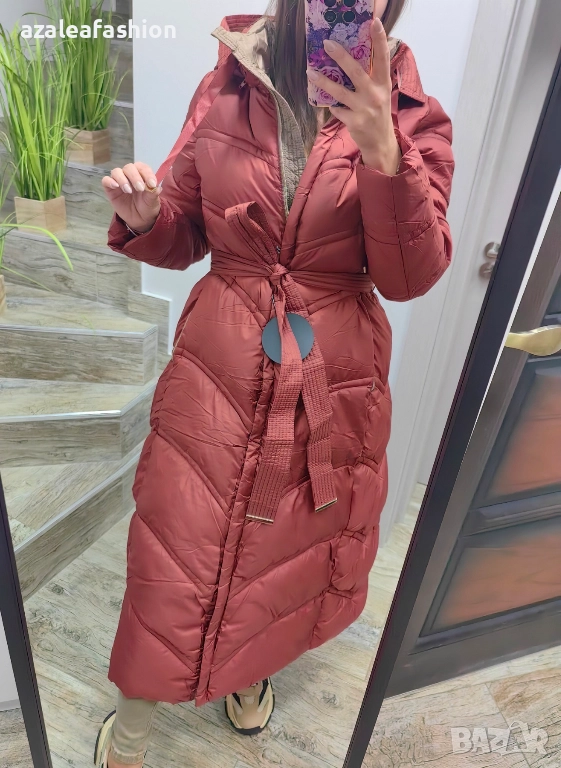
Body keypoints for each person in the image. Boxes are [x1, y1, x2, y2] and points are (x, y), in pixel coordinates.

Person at [97, 0, 454, 765]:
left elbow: (409, 277)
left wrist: (386, 155)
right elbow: (185, 228)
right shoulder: (226, 83)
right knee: (172, 548)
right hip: (218, 360)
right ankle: (132, 729)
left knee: (283, 548)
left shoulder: (413, 113)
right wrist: (148, 216)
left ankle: (248, 672)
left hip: (332, 375)